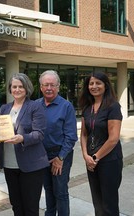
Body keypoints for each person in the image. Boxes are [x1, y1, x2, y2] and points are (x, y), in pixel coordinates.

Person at [0, 73, 50, 216]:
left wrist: (23, 138)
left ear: (27, 88)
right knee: (16, 205)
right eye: (14, 86)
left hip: (31, 164)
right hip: (9, 164)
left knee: (31, 207)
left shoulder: (35, 107)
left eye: (21, 86)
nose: (17, 89)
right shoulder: (4, 108)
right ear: (10, 89)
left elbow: (39, 134)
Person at [78, 70, 123, 216]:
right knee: (97, 202)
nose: (94, 86)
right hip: (91, 161)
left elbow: (113, 138)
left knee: (108, 204)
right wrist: (86, 156)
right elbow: (84, 133)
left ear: (106, 86)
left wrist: (96, 157)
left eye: (98, 83)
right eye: (91, 83)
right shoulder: (87, 107)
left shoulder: (113, 106)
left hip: (108, 160)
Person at [36, 70, 78, 216]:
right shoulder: (35, 105)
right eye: (45, 85)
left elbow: (71, 136)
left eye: (52, 85)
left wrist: (60, 158)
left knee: (60, 192)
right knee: (48, 189)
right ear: (40, 87)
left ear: (58, 87)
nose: (49, 88)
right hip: (41, 155)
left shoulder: (66, 106)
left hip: (60, 154)